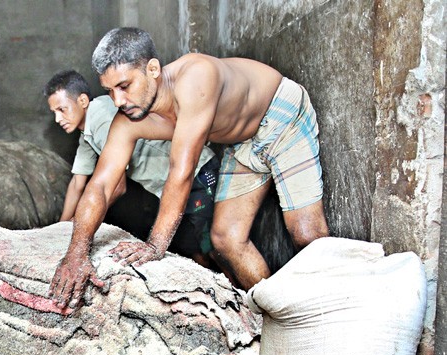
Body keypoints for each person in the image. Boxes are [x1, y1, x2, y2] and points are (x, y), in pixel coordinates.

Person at [49, 28, 329, 309]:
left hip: (281, 113)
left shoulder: (195, 77)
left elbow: (181, 170)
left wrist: (155, 246)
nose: (118, 101)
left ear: (153, 69)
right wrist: (77, 253)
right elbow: (100, 185)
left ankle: (328, 318)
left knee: (307, 235)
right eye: (109, 91)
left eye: (125, 86)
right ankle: (275, 313)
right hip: (242, 142)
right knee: (225, 240)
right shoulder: (127, 120)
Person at [44, 69, 220, 268]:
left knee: (210, 249)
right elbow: (77, 182)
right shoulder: (87, 134)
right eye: (54, 113)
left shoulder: (102, 116)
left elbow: (116, 187)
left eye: (62, 109)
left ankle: (232, 290)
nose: (58, 119)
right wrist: (61, 227)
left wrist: (80, 226)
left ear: (83, 101)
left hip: (197, 174)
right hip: (172, 188)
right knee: (193, 248)